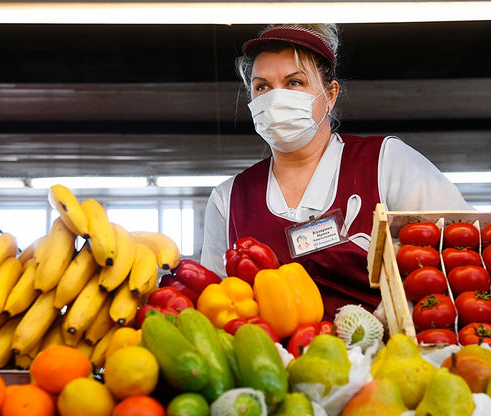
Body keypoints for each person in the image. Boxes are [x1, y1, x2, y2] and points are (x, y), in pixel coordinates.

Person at [200, 23, 472, 318]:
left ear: (329, 95)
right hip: (275, 361)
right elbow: (214, 303)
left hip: (384, 357)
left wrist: (395, 315)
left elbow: (459, 251)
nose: (275, 99)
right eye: (262, 86)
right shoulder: (228, 199)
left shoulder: (386, 162)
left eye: (294, 83)